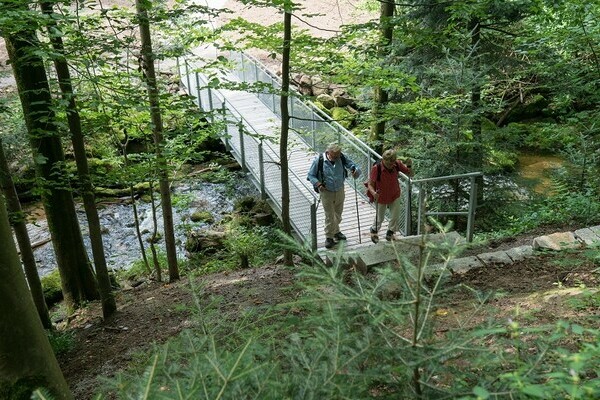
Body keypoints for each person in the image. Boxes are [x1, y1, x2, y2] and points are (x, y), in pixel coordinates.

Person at [307, 142, 361, 249]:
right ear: (328, 152)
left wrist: (355, 170)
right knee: (329, 215)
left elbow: (354, 166)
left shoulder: (341, 157)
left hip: (340, 189)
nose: (337, 157)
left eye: (338, 155)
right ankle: (329, 237)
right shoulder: (319, 160)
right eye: (334, 155)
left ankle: (336, 232)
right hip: (326, 191)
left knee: (338, 214)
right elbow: (310, 175)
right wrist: (318, 184)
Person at [366, 149, 413, 243]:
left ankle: (390, 233)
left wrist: (409, 166)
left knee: (395, 216)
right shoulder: (377, 168)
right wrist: (374, 193)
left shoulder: (397, 164)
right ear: (383, 160)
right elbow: (370, 184)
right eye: (388, 163)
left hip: (394, 194)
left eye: (392, 162)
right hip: (380, 196)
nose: (391, 164)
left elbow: (410, 174)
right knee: (380, 217)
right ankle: (374, 231)